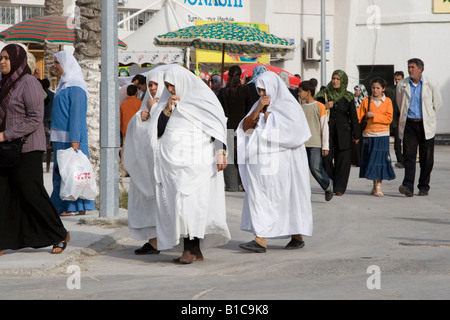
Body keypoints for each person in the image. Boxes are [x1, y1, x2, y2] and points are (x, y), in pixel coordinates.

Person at [150, 65, 230, 264]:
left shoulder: (204, 99)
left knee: (195, 204)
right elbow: (157, 132)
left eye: (173, 85)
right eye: (167, 86)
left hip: (200, 162)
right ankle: (193, 249)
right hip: (174, 165)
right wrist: (167, 109)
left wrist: (221, 152)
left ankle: (191, 249)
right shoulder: (166, 103)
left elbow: (218, 126)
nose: (171, 90)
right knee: (180, 205)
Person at [0, 44, 69, 255]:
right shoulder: (3, 84)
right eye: (1, 58)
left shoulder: (28, 83)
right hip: (7, 149)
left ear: (18, 60)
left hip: (28, 148)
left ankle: (59, 233)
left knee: (32, 194)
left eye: (6, 58)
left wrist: (5, 134)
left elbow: (35, 119)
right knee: (5, 194)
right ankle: (4, 240)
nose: (2, 62)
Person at [237, 71, 313, 253]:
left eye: (264, 91)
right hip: (262, 162)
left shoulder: (289, 107)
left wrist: (271, 121)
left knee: (287, 198)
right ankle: (261, 238)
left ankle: (292, 236)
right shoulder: (259, 104)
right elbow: (245, 128)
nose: (262, 95)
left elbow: (297, 133)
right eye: (260, 91)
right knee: (262, 196)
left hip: (285, 164)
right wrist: (258, 111)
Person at [123, 65, 168, 255]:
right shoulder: (146, 103)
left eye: (156, 84)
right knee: (148, 202)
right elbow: (139, 130)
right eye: (150, 84)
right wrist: (138, 118)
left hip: (163, 162)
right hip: (147, 163)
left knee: (162, 202)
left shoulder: (169, 103)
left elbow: (164, 129)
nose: (153, 88)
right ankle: (153, 241)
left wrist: (156, 108)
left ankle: (165, 240)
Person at [49, 51, 95, 216]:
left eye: (57, 63)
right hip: (62, 137)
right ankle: (76, 206)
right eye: (54, 63)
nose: (55, 66)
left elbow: (76, 114)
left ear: (66, 64)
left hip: (71, 138)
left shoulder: (75, 86)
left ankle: (70, 207)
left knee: (71, 172)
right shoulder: (64, 84)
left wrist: (75, 140)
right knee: (66, 172)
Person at [396, 58, 442, 197]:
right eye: (408, 67)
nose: (410, 70)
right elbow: (400, 103)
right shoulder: (402, 85)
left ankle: (423, 186)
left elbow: (438, 104)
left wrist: (429, 117)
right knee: (409, 156)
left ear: (420, 69)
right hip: (410, 123)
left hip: (425, 124)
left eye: (413, 67)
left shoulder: (431, 84)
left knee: (426, 158)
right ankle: (408, 186)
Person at [315, 70, 361, 196]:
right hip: (327, 132)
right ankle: (329, 183)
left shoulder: (348, 96)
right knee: (327, 158)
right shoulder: (323, 94)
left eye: (337, 79)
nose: (335, 81)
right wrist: (325, 106)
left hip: (344, 133)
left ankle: (339, 187)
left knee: (343, 161)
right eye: (333, 78)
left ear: (343, 81)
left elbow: (353, 116)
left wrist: (357, 134)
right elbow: (315, 108)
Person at [357, 77, 396, 196]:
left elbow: (389, 118)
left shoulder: (388, 101)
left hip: (382, 135)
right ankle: (375, 185)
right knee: (371, 160)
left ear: (383, 89)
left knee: (380, 160)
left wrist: (374, 115)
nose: (375, 90)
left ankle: (379, 186)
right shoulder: (366, 101)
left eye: (378, 88)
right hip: (369, 135)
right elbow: (359, 117)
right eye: (373, 88)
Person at [218, 65, 253, 192]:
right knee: (243, 157)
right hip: (243, 128)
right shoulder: (245, 90)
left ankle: (232, 185)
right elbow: (249, 109)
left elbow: (219, 111)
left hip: (227, 128)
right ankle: (243, 184)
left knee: (230, 157)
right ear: (240, 76)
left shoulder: (222, 92)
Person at [299, 80, 333, 201]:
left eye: (300, 91)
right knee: (301, 171)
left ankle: (327, 185)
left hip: (315, 144)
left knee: (315, 168)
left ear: (308, 92)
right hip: (302, 144)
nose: (299, 93)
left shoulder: (320, 106)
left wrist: (325, 146)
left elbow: (324, 127)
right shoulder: (300, 108)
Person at [385, 71, 404, 168]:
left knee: (403, 140)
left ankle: (405, 158)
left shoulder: (406, 88)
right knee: (397, 140)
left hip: (403, 118)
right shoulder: (390, 90)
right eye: (396, 79)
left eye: (399, 79)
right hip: (393, 118)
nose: (397, 81)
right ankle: (399, 159)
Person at [352, 84, 368, 167]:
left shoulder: (366, 100)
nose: (355, 92)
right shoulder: (353, 99)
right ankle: (356, 160)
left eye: (357, 90)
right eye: (355, 90)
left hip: (363, 123)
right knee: (355, 142)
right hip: (355, 122)